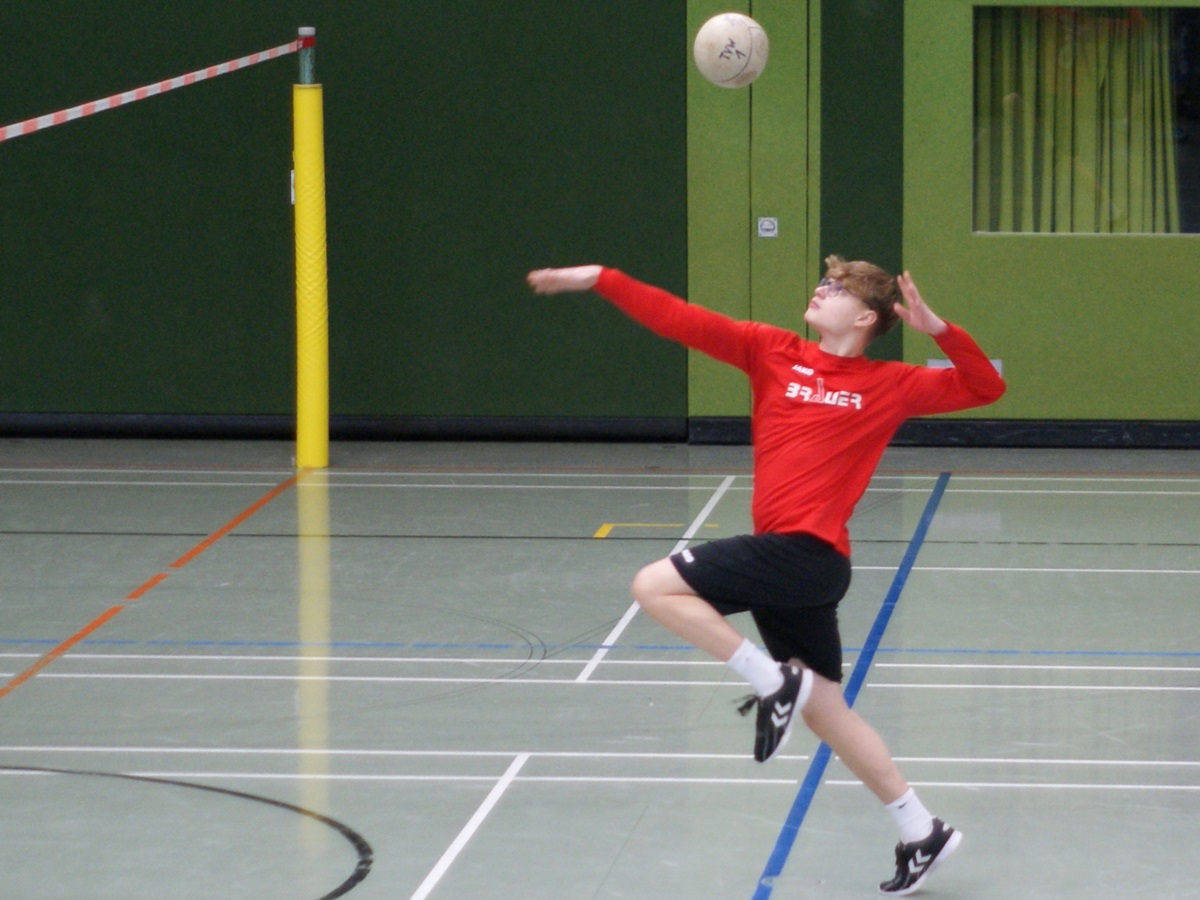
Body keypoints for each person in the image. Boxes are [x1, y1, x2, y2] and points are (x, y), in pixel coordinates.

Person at [526, 258, 1005, 896]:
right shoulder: (771, 351)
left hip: (807, 555)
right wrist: (602, 279)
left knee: (653, 585)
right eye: (824, 282)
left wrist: (937, 327)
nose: (820, 289)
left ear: (866, 317)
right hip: (797, 567)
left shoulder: (890, 383)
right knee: (825, 710)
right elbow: (682, 321)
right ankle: (923, 831)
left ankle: (769, 679)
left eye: (837, 289)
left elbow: (983, 386)